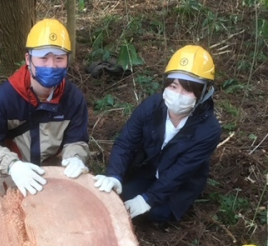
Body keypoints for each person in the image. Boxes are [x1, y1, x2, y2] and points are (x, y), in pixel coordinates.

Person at [93, 45, 221, 223]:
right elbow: (126, 143)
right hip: (149, 169)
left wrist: (148, 199)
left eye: (188, 89)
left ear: (204, 93)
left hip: (179, 184)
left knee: (155, 214)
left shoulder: (208, 130)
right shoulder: (151, 106)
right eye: (174, 86)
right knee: (118, 198)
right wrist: (114, 175)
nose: (178, 95)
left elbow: (180, 171)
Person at [0, 19, 90, 200]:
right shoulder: (5, 97)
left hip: (51, 165)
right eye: (43, 57)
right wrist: (12, 165)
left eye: (59, 58)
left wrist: (74, 157)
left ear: (67, 60)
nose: (51, 65)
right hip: (10, 165)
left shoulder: (73, 99)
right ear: (29, 59)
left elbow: (76, 140)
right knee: (5, 215)